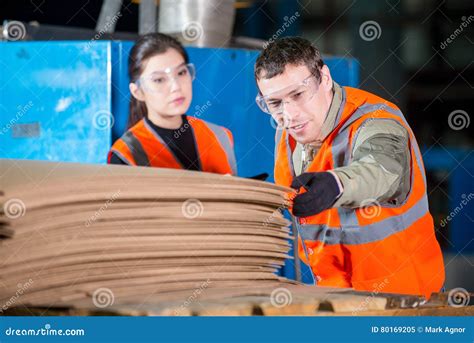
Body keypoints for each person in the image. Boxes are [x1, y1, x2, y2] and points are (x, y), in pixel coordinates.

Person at [254, 37, 444, 298]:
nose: (290, 114)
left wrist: (336, 183)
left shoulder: (376, 121)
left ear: (325, 78)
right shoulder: (286, 138)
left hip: (404, 302)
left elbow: (381, 169)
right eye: (275, 103)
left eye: (298, 94)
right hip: (336, 300)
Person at [108, 33, 237, 175]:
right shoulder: (127, 153)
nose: (176, 86)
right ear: (138, 91)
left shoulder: (219, 136)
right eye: (159, 80)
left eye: (181, 72)